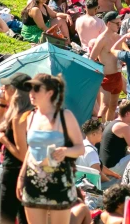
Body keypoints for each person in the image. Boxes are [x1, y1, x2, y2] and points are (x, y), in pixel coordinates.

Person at [18, 74, 83, 222]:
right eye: (29, 89)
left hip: (59, 182)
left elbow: (80, 148)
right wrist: (21, 177)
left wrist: (66, 151)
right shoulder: (31, 117)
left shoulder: (65, 115)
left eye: (36, 89)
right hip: (33, 180)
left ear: (49, 92)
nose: (31, 93)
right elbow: (30, 150)